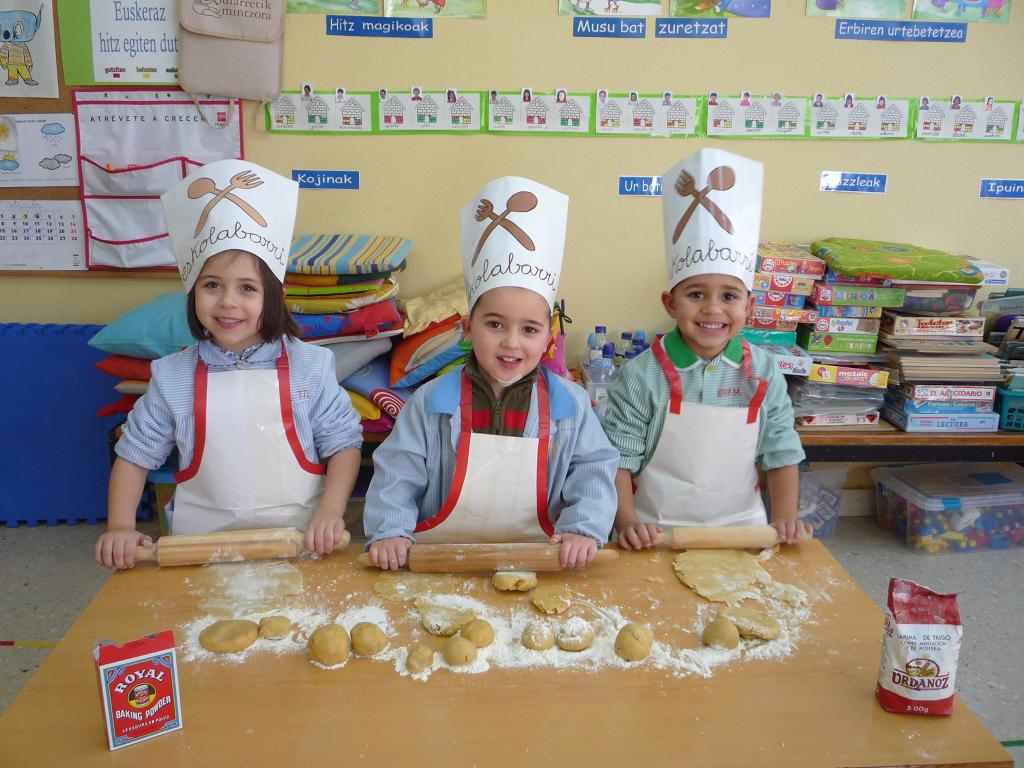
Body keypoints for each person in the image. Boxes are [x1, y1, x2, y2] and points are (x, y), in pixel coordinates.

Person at [94, 160, 363, 570]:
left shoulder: (311, 366)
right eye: (212, 285)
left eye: (247, 288)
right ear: (193, 293)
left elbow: (343, 444)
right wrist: (119, 526)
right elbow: (134, 456)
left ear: (273, 298)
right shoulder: (172, 377)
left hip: (301, 543)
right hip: (202, 550)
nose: (227, 302)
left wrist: (330, 511)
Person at [363, 176, 618, 571]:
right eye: (495, 325)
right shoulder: (431, 402)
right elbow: (397, 472)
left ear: (549, 338)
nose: (511, 343)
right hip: (444, 561)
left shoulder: (571, 404)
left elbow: (593, 470)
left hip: (541, 561)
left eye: (529, 330)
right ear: (468, 329)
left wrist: (583, 527)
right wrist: (390, 529)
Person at [603, 148, 810, 551]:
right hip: (653, 531)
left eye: (729, 296)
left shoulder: (762, 371)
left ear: (749, 307)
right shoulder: (641, 376)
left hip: (743, 527)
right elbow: (619, 459)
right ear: (670, 304)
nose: (713, 309)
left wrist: (785, 519)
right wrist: (627, 522)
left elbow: (781, 449)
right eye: (696, 294)